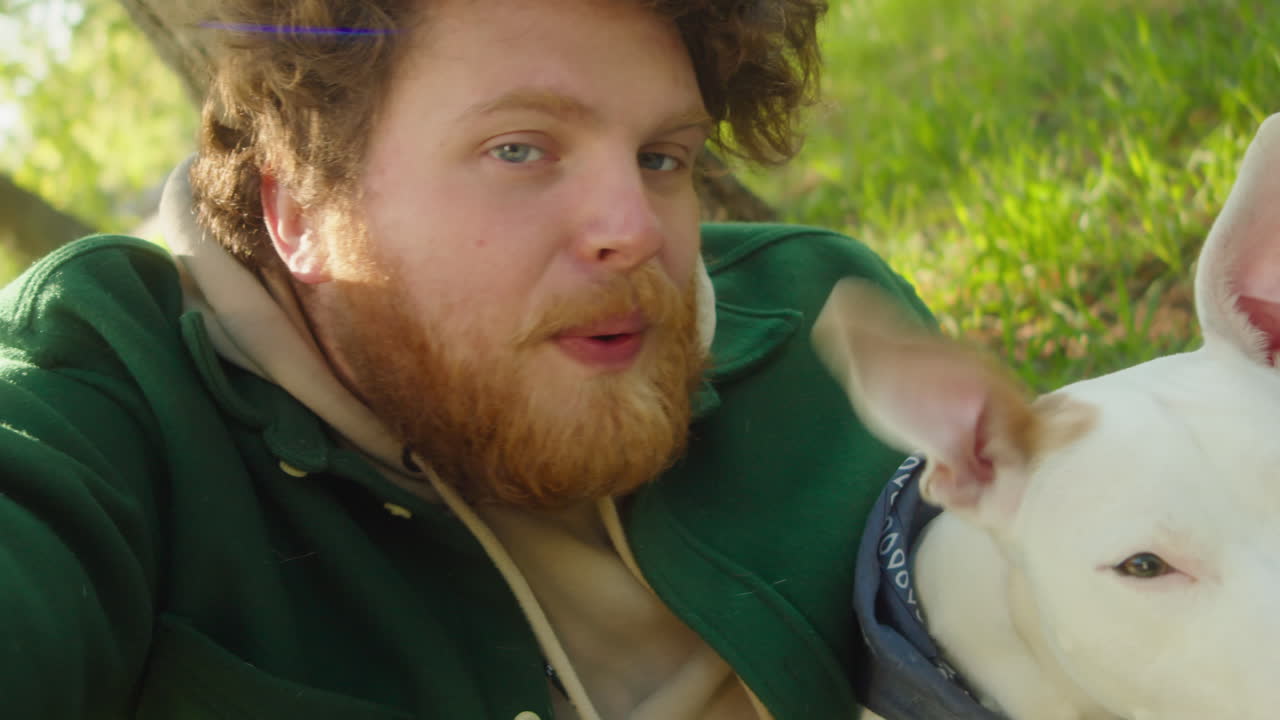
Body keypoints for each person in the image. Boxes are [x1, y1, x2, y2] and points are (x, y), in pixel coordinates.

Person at [0, 0, 933, 718]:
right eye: (519, 148)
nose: (633, 231)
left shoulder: (829, 330)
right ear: (300, 214)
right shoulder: (105, 394)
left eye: (661, 157)